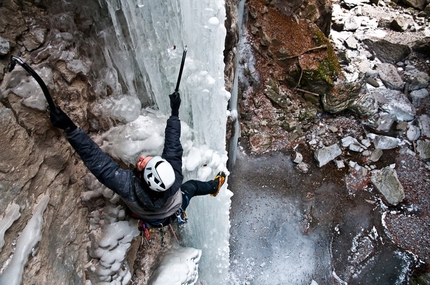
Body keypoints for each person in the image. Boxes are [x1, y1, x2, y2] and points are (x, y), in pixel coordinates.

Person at [50, 91, 226, 228]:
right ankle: (214, 186)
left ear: (143, 177)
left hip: (148, 217)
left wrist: (70, 128)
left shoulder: (126, 185)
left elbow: (97, 161)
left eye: (143, 164)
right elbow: (172, 146)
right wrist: (174, 112)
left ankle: (142, 219)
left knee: (136, 207)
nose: (141, 159)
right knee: (193, 187)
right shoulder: (174, 178)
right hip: (173, 211)